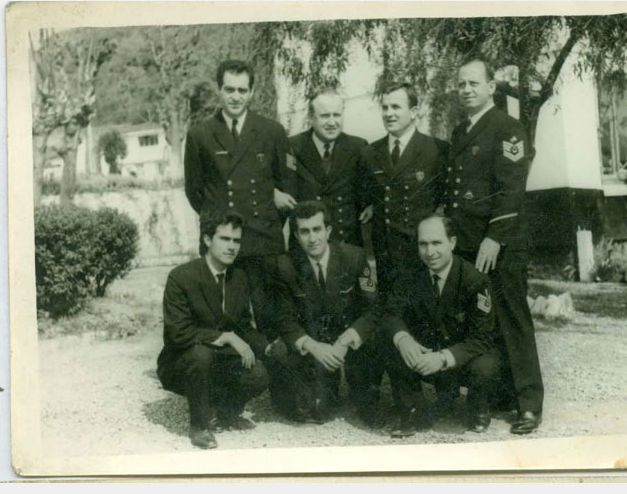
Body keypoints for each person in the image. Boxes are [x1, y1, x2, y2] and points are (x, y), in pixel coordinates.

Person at [446, 57, 545, 434]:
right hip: (467, 244)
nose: (466, 90)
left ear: (491, 87)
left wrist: (494, 237)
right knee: (481, 322)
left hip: (500, 244)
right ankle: (498, 395)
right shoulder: (460, 132)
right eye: (461, 84)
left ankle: (529, 404)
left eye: (473, 83)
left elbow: (511, 188)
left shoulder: (507, 128)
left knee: (512, 319)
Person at [183, 58, 296, 335]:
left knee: (271, 319)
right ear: (219, 90)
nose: (236, 97)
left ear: (252, 92)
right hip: (223, 240)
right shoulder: (200, 135)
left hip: (263, 240)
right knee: (223, 319)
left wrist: (267, 214)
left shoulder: (272, 131)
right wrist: (218, 222)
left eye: (242, 90)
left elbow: (287, 187)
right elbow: (194, 191)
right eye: (229, 89)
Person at [156, 213, 271, 449]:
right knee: (201, 355)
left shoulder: (238, 277)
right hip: (182, 361)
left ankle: (226, 412)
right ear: (207, 240)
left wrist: (268, 346)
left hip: (218, 359)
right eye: (225, 239)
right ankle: (199, 426)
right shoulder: (181, 277)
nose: (232, 246)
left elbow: (243, 326)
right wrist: (224, 336)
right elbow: (178, 333)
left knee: (258, 374)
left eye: (236, 241)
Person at [381, 216, 500, 438]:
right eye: (423, 244)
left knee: (485, 364)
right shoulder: (409, 273)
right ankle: (412, 409)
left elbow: (482, 338)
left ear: (452, 242)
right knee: (393, 341)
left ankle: (478, 405)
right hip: (426, 350)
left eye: (437, 243)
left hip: (460, 356)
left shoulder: (474, 280)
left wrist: (443, 358)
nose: (429, 252)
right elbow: (390, 313)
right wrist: (404, 339)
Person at [270, 200, 384, 424]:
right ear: (296, 236)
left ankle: (364, 393)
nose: (312, 238)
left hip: (347, 340)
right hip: (315, 344)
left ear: (328, 230)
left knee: (375, 337)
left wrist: (346, 340)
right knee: (317, 411)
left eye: (317, 229)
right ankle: (325, 387)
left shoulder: (356, 257)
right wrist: (314, 347)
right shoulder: (285, 266)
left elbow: (374, 307)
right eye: (305, 232)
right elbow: (283, 318)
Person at [361, 82, 448, 295]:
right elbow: (366, 197)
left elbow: (444, 200)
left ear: (414, 111)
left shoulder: (437, 150)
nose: (389, 114)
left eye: (396, 107)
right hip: (385, 256)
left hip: (423, 253)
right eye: (385, 108)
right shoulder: (370, 153)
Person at [286, 90, 370, 248]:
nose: (332, 122)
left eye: (336, 115)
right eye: (325, 116)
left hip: (346, 244)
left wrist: (372, 205)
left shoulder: (358, 147)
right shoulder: (292, 147)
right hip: (306, 245)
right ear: (311, 117)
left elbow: (369, 189)